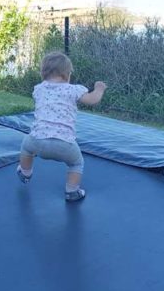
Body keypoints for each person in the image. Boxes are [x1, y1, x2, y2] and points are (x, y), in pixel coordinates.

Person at [16, 52, 107, 201]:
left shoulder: (38, 89)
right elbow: (92, 100)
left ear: (43, 72)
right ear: (67, 74)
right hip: (65, 144)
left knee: (25, 147)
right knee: (77, 163)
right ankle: (71, 191)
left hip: (37, 140)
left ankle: (25, 172)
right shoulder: (74, 90)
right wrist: (99, 89)